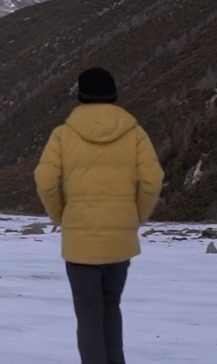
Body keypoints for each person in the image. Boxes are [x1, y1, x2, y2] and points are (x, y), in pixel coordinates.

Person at [34, 67, 164, 364]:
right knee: (111, 307)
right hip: (119, 241)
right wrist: (134, 217)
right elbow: (153, 179)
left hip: (80, 244)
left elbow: (44, 178)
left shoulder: (64, 135)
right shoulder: (134, 133)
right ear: (113, 95)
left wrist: (61, 215)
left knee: (88, 314)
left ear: (81, 95)